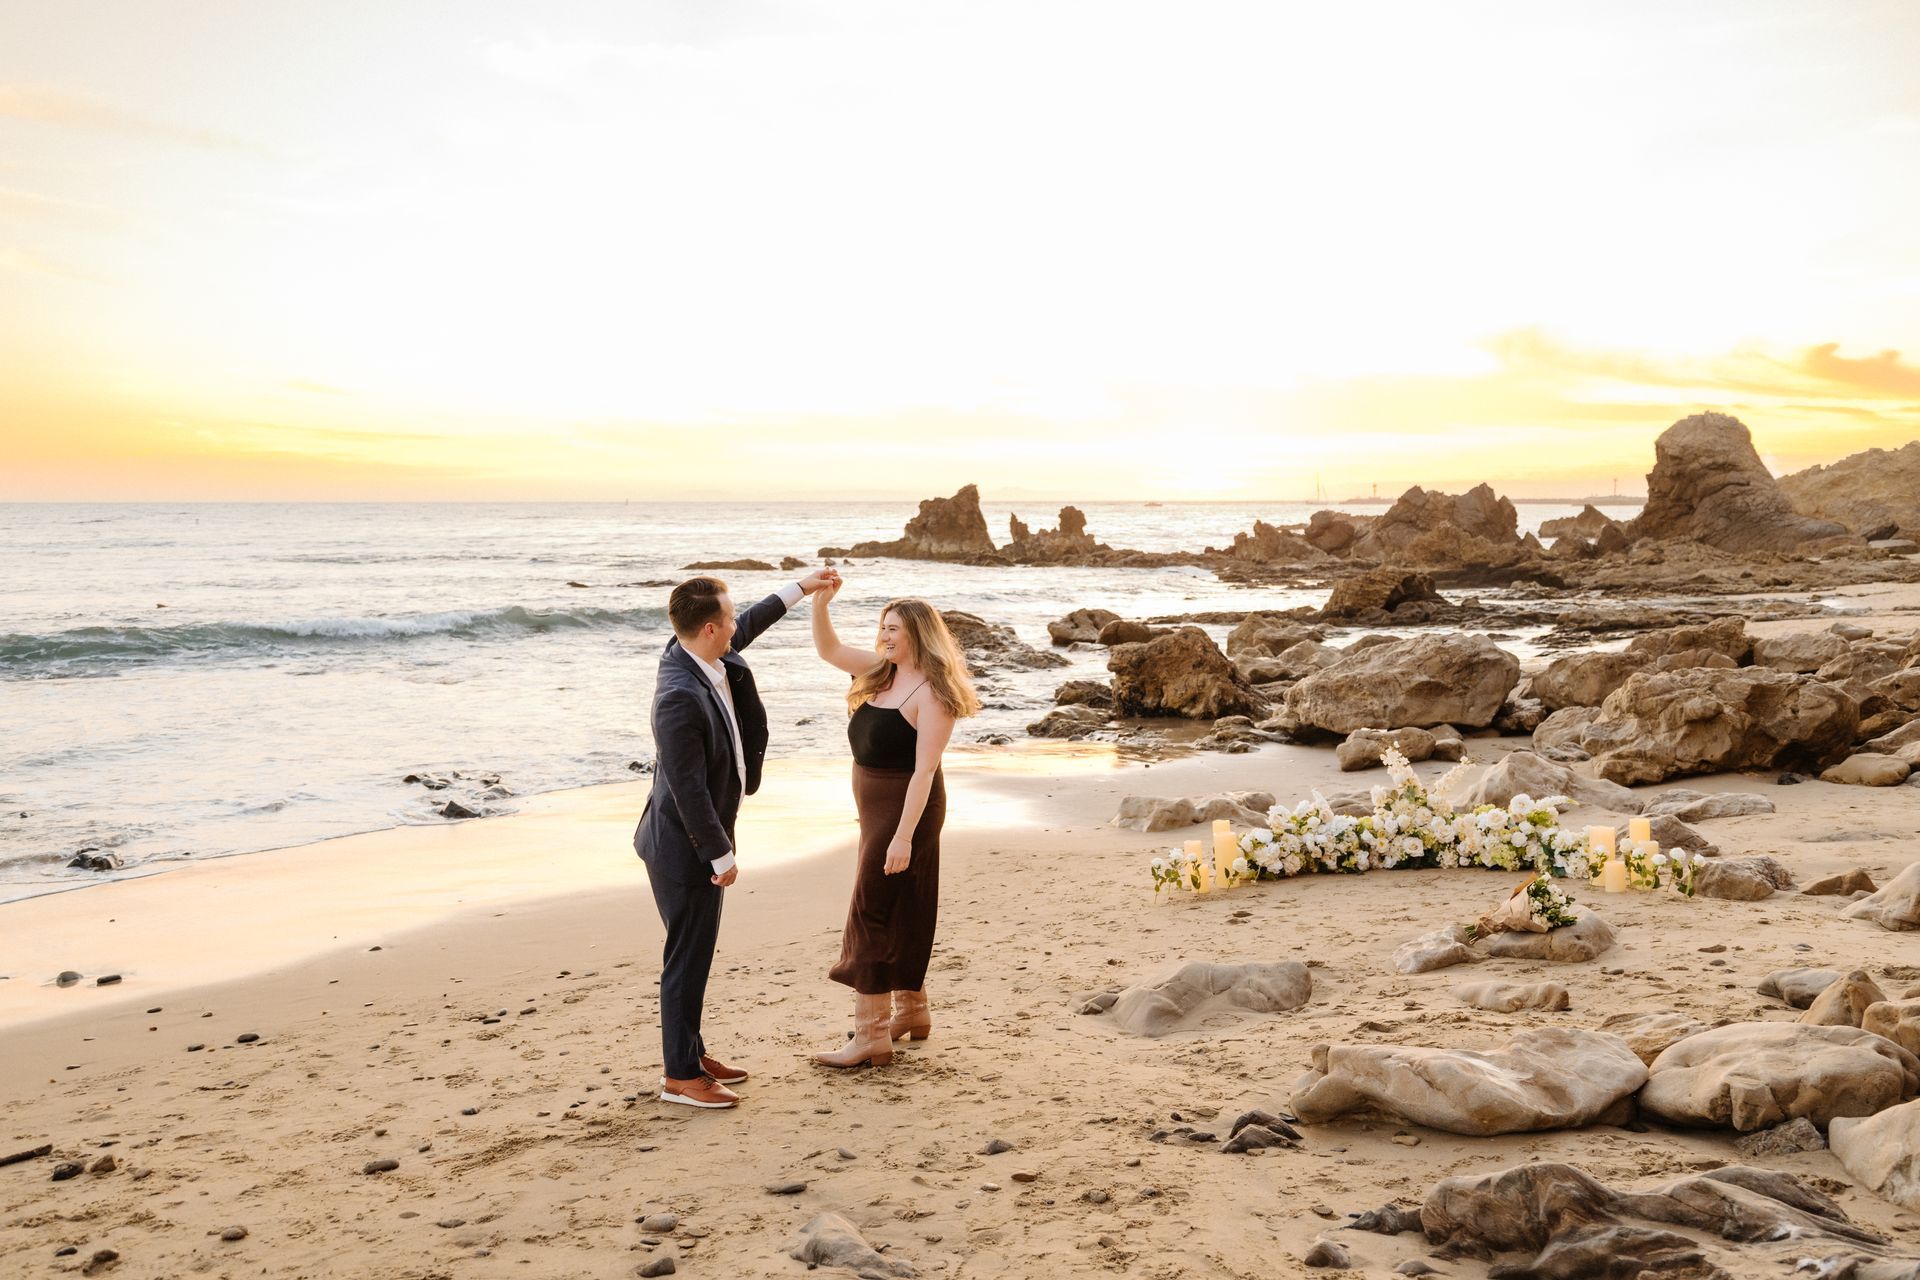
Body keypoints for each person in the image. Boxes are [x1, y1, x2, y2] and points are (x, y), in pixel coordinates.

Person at [634, 568, 835, 1108]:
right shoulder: (678, 696)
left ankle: (691, 1051)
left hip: (697, 836)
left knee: (695, 952)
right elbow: (686, 789)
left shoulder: (698, 651)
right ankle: (680, 1076)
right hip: (685, 846)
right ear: (707, 630)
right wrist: (718, 853)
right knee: (687, 957)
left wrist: (805, 587)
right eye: (727, 619)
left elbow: (752, 622)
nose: (735, 626)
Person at [807, 583, 980, 1068]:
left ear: (919, 635)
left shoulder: (933, 693)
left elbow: (924, 771)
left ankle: (871, 1037)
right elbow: (829, 649)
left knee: (872, 910)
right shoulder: (881, 674)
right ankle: (912, 1013)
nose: (884, 636)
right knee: (899, 904)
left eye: (894, 629)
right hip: (875, 806)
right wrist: (820, 604)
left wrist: (903, 836)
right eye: (882, 627)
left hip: (908, 808)